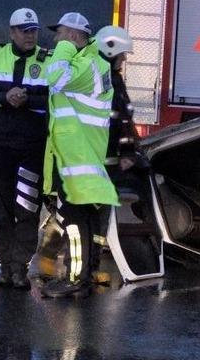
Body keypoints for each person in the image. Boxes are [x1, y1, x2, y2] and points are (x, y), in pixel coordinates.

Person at [34, 25, 139, 285]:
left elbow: (122, 119)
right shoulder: (91, 72)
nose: (124, 60)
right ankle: (60, 265)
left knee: (93, 223)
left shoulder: (109, 76)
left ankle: (86, 271)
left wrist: (127, 150)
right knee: (71, 220)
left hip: (102, 161)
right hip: (87, 161)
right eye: (122, 54)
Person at [0, 8, 49, 289]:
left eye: (34, 31)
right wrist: (5, 98)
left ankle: (20, 269)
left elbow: (55, 99)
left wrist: (27, 100)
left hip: (30, 150)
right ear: (12, 32)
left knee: (26, 209)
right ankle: (4, 267)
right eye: (25, 31)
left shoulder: (47, 60)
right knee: (1, 211)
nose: (30, 36)